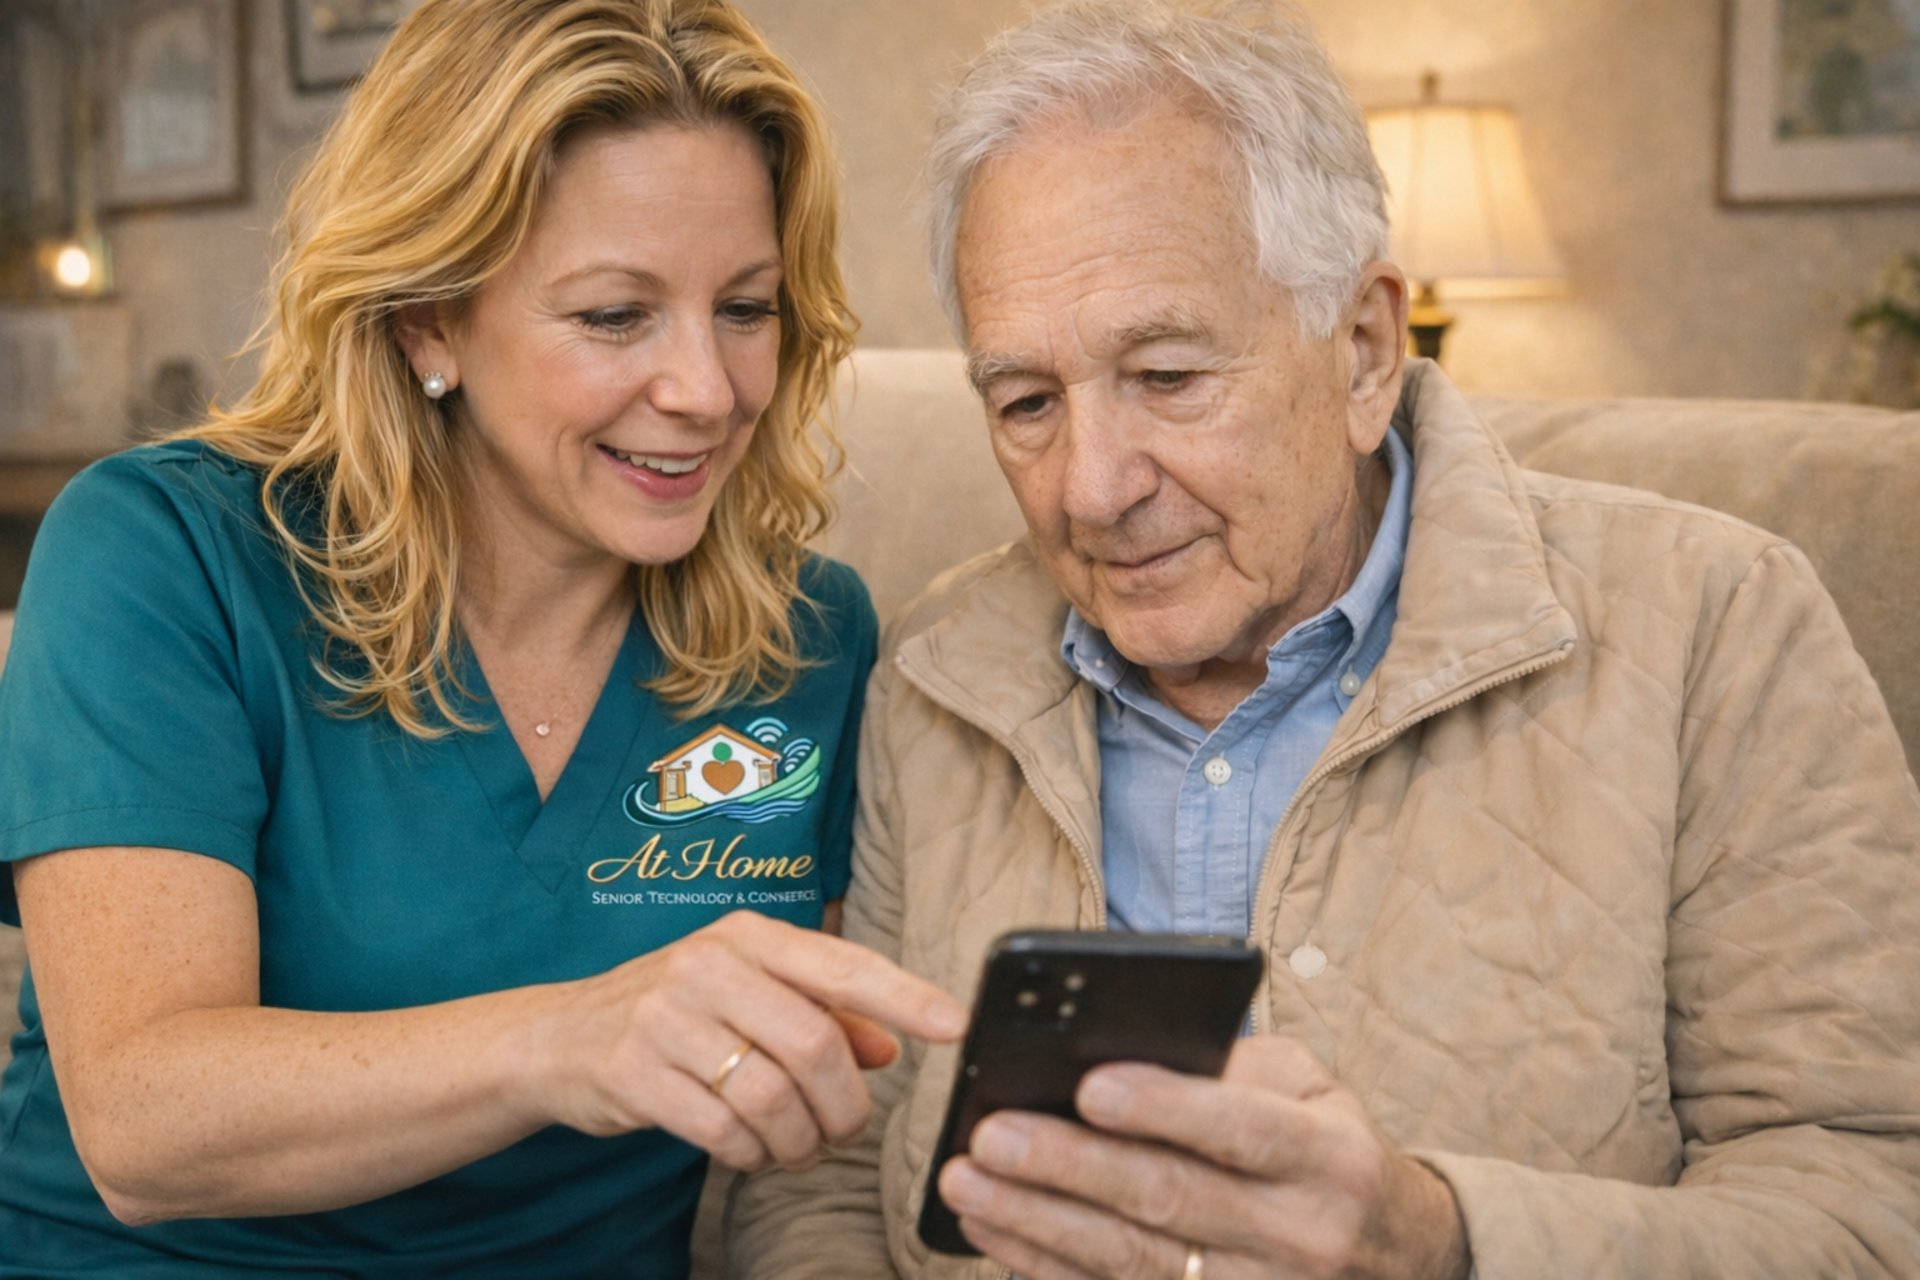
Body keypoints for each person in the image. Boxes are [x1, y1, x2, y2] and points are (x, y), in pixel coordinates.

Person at [728, 1, 1920, 1277]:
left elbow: (1867, 1205)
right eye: (1026, 401)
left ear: (1361, 350)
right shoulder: (931, 677)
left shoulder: (1716, 628)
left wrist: (1433, 1238)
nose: (1090, 486)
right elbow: (825, 1180)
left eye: (1170, 377)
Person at [0, 1, 964, 1275]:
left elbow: (836, 1125)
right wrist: (572, 1038)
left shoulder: (812, 638)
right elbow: (142, 1119)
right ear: (428, 321)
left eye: (747, 307)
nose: (709, 390)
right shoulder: (164, 555)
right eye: (616, 315)